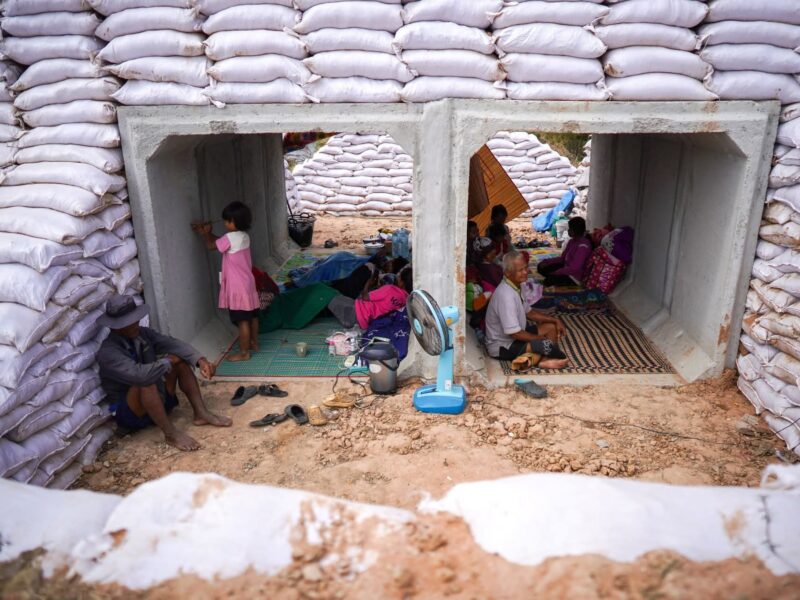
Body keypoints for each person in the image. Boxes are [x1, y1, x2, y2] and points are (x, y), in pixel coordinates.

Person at [96, 295, 232, 451]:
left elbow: (172, 344)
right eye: (128, 323)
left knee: (179, 361)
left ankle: (201, 413)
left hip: (155, 400)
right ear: (115, 327)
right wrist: (167, 361)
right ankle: (170, 434)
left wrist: (200, 360)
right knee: (146, 379)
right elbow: (140, 375)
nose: (135, 324)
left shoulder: (142, 334)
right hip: (131, 413)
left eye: (135, 320)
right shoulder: (108, 352)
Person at [193, 201, 260, 362]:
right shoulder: (244, 236)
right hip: (248, 283)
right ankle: (254, 343)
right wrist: (209, 232)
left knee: (242, 321)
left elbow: (211, 246)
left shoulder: (229, 238)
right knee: (252, 317)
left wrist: (205, 234)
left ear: (234, 222)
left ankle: (244, 353)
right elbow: (221, 243)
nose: (225, 223)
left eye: (227, 221)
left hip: (237, 287)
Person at [485, 251, 568, 369]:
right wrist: (539, 339)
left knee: (551, 327)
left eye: (525, 268)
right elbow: (514, 333)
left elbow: (530, 313)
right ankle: (539, 361)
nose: (525, 272)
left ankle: (543, 359)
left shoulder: (517, 285)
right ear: (508, 273)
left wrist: (555, 320)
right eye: (520, 270)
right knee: (546, 346)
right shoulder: (506, 296)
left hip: (516, 336)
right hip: (502, 346)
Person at [328, 267, 412, 330]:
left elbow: (365, 297)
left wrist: (369, 282)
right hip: (363, 323)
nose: (397, 278)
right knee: (337, 298)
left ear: (402, 282)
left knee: (328, 295)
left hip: (355, 312)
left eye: (399, 277)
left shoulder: (390, 289)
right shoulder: (406, 300)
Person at [537, 216, 592, 287]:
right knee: (541, 267)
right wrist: (547, 262)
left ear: (574, 231)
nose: (568, 230)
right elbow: (562, 258)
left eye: (570, 229)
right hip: (566, 267)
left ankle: (560, 281)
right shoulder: (572, 241)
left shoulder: (583, 247)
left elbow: (575, 268)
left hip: (574, 276)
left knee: (549, 280)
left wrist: (558, 272)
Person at [329, 256, 409, 300]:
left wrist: (369, 282)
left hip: (352, 294)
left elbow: (366, 297)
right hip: (348, 288)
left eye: (391, 263)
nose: (388, 262)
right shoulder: (379, 270)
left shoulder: (389, 281)